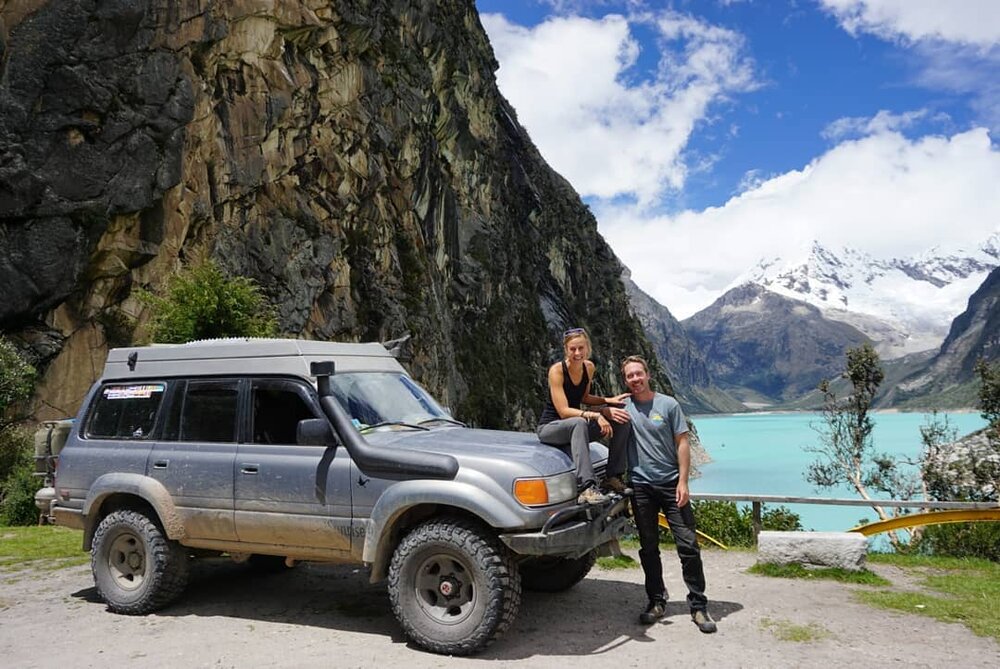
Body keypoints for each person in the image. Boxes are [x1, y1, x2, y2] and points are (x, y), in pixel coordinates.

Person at [620, 354, 717, 633]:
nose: (635, 379)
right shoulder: (623, 407)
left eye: (639, 373)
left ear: (647, 374)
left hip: (671, 483)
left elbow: (682, 443)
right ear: (625, 380)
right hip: (640, 487)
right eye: (630, 376)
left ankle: (699, 606)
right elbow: (599, 410)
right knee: (649, 548)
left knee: (688, 545)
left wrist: (683, 482)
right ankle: (656, 601)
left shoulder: (668, 405)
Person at [537, 328, 631, 504]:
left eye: (581, 348)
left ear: (587, 348)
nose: (577, 353)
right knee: (579, 422)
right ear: (566, 350)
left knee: (620, 419)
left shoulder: (589, 367)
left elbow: (584, 397)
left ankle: (613, 477)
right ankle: (587, 487)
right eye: (573, 349)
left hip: (575, 427)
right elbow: (564, 411)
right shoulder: (557, 371)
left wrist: (609, 401)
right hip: (551, 428)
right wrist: (596, 415)